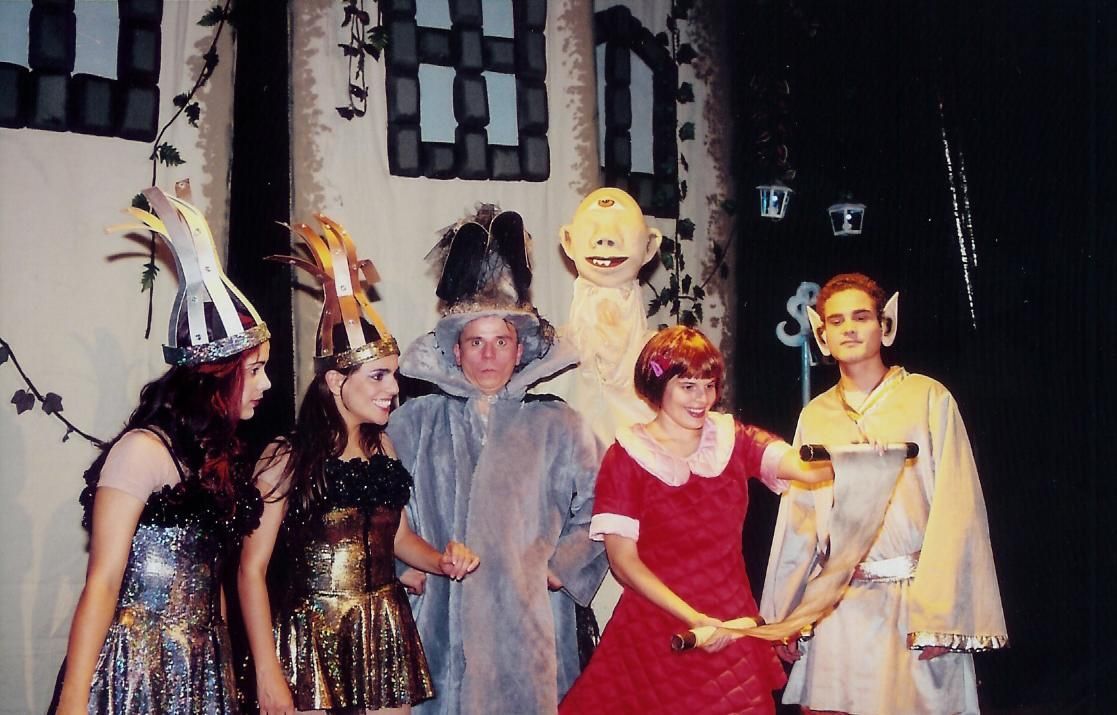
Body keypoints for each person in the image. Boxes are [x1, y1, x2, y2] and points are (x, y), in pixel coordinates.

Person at [236, 214, 479, 714]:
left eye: (393, 375)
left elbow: (399, 539)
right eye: (378, 376)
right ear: (334, 382)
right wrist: (266, 671)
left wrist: (441, 561)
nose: (393, 388)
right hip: (311, 636)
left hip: (384, 629)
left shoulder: (383, 447)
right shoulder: (285, 458)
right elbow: (251, 569)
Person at [54, 185, 273, 714]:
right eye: (255, 371)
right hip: (136, 669)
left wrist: (222, 676)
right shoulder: (141, 452)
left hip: (202, 666)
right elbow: (103, 582)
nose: (266, 385)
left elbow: (212, 582)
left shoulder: (215, 455)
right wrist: (73, 701)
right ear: (215, 378)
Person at [385, 206, 608, 714]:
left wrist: (563, 567)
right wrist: (403, 564)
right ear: (456, 351)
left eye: (500, 341)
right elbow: (381, 508)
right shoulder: (415, 422)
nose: (488, 356)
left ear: (520, 350)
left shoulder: (559, 424)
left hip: (528, 628)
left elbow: (605, 502)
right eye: (476, 342)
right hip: (439, 618)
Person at [761, 273, 1008, 715]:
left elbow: (958, 510)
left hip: (914, 607)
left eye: (861, 317)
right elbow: (799, 518)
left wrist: (942, 616)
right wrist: (787, 614)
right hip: (837, 608)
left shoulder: (928, 398)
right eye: (836, 321)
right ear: (821, 333)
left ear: (885, 325)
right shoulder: (815, 415)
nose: (849, 329)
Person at [558, 325, 832, 715]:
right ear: (658, 386)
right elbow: (623, 561)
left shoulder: (732, 438)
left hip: (730, 619)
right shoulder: (627, 457)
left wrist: (855, 457)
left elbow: (804, 467)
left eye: (709, 385)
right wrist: (694, 618)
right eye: (688, 386)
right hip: (658, 626)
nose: (702, 399)